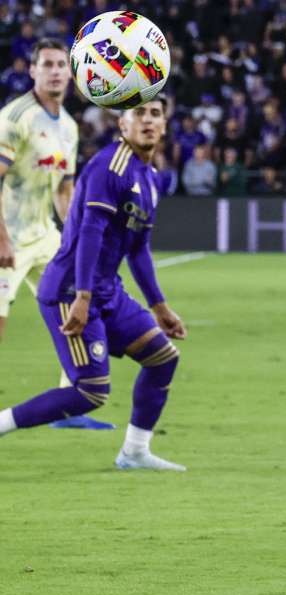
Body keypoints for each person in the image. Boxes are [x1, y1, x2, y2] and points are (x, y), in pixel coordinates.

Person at [0, 97, 188, 472]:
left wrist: (160, 306)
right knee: (90, 390)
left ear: (164, 127)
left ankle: (134, 452)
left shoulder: (151, 178)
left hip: (106, 290)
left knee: (162, 358)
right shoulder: (110, 166)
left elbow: (139, 251)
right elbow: (90, 230)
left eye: (155, 115)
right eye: (139, 114)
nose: (148, 121)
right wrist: (83, 296)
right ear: (122, 125)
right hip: (72, 289)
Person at [0, 39, 111, 430]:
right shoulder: (16, 117)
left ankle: (71, 403)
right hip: (6, 238)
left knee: (81, 302)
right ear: (32, 71)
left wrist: (75, 238)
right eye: (46, 64)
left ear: (70, 71)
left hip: (45, 237)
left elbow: (66, 189)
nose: (55, 71)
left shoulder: (67, 126)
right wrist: (2, 239)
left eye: (61, 64)